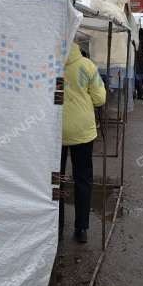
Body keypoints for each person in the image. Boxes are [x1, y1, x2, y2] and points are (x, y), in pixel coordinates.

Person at [61, 42, 107, 243]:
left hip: (54, 130)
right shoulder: (87, 65)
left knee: (56, 178)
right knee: (82, 179)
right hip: (82, 130)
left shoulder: (50, 62)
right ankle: (81, 228)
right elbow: (99, 99)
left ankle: (57, 224)